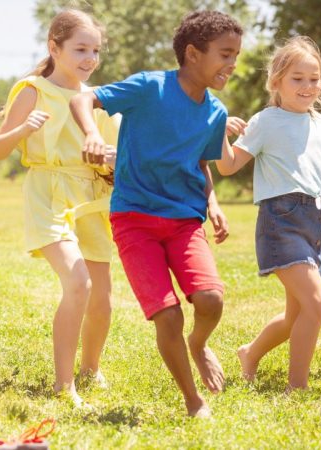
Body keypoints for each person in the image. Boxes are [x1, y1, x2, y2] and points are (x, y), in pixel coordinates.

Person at [69, 10, 242, 417]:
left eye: (236, 55)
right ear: (193, 54)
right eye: (225, 54)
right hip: (134, 219)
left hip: (184, 221)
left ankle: (198, 344)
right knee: (167, 316)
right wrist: (93, 133)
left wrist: (213, 205)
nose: (232, 64)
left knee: (211, 300)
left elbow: (200, 164)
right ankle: (192, 399)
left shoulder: (216, 112)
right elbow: (83, 97)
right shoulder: (150, 87)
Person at [217, 36, 321, 391]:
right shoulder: (266, 121)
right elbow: (229, 165)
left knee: (295, 314)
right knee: (316, 303)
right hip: (281, 223)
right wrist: (217, 132)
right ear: (276, 80)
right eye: (298, 78)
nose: (308, 86)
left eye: (314, 79)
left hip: (314, 224)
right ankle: (298, 387)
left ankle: (250, 353)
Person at [0, 9, 118, 408]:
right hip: (49, 192)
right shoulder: (33, 90)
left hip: (90, 197)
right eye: (80, 49)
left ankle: (91, 369)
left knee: (103, 297)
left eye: (95, 50)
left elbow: (110, 155)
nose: (89, 58)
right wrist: (23, 129)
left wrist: (110, 159)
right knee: (79, 283)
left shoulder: (96, 98)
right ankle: (65, 385)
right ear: (54, 47)